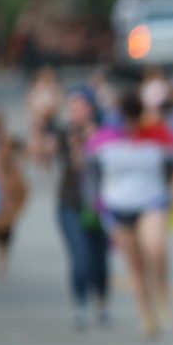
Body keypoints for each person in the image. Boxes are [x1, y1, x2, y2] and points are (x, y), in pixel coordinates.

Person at [86, 88, 173, 340]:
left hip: (151, 202)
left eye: (135, 116)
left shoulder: (156, 134)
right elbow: (90, 173)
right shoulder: (103, 139)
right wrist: (96, 202)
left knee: (155, 248)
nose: (131, 123)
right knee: (135, 266)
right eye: (126, 117)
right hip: (118, 205)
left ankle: (162, 294)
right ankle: (146, 315)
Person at [54, 87, 111, 330]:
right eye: (73, 107)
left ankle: (102, 301)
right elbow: (41, 152)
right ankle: (80, 304)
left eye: (81, 106)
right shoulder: (65, 135)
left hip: (101, 205)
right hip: (71, 203)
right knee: (80, 257)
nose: (76, 111)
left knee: (99, 259)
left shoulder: (106, 134)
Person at [0, 108, 28, 279]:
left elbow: (20, 155)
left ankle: (2, 260)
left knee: (6, 231)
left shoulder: (6, 143)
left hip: (6, 191)